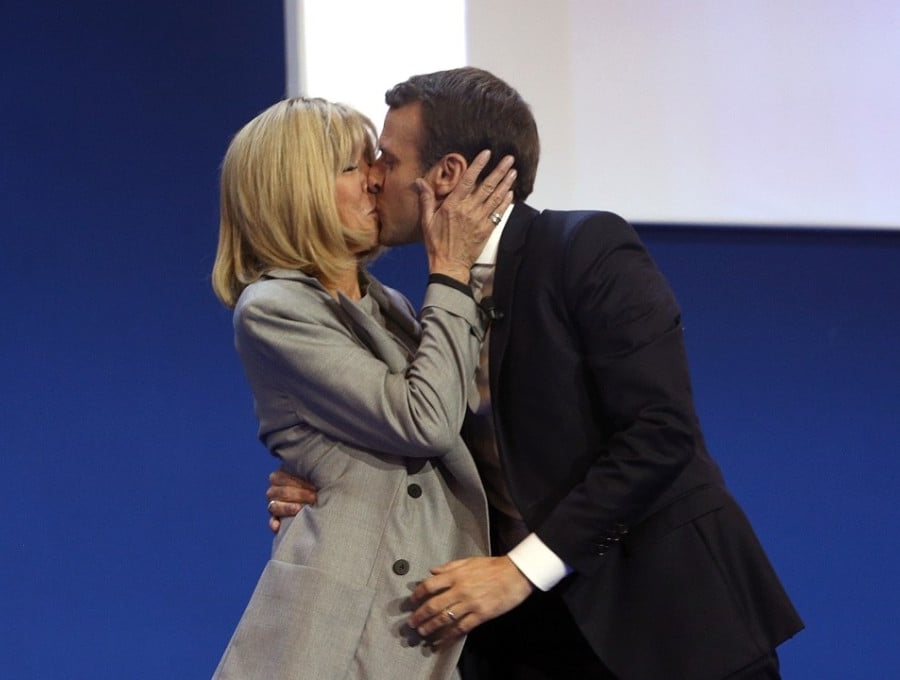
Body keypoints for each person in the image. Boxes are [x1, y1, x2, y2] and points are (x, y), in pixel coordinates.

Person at [267, 68, 804, 679]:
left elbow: (661, 434)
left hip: (666, 622)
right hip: (527, 642)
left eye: (387, 159)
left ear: (445, 174)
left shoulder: (585, 248)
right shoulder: (430, 302)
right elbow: (426, 433)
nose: (373, 178)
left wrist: (521, 570)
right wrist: (327, 479)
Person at [209, 97, 517, 680]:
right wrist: (449, 269)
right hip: (339, 634)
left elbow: (458, 429)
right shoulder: (274, 307)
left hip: (418, 624)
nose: (379, 177)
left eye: (375, 160)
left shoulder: (391, 307)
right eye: (355, 167)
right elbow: (422, 419)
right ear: (296, 192)